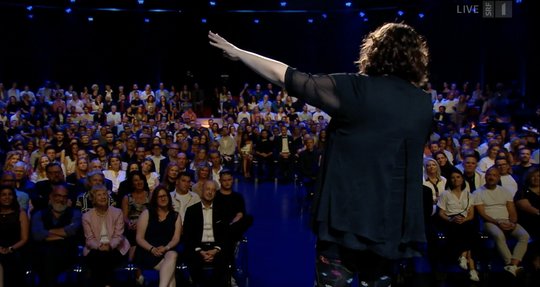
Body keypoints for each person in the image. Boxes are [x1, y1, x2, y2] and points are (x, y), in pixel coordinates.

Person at [209, 22, 432, 286]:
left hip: (344, 223)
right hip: (391, 229)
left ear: (374, 51)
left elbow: (287, 77)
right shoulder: (422, 103)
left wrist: (240, 53)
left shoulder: (355, 90)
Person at [474, 166, 530, 276]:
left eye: (494, 175)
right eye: (489, 175)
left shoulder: (505, 191)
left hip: (507, 221)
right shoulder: (478, 193)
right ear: (485, 177)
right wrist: (498, 222)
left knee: (524, 235)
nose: (491, 177)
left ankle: (513, 264)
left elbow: (512, 211)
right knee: (498, 234)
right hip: (489, 223)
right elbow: (483, 214)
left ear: (498, 177)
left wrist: (512, 222)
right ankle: (509, 263)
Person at [31, 184, 82, 287]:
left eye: (64, 197)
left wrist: (47, 232)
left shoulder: (75, 213)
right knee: (47, 255)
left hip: (67, 252)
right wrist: (63, 235)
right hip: (42, 254)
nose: (61, 199)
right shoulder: (39, 214)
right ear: (51, 197)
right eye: (58, 196)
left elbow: (72, 231)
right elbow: (37, 235)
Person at [183, 180, 230, 287]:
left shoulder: (222, 210)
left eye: (213, 190)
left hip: (216, 247)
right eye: (207, 189)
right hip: (197, 247)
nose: (210, 192)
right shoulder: (191, 211)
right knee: (193, 260)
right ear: (202, 191)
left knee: (224, 259)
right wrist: (201, 251)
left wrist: (215, 250)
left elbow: (226, 234)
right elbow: (188, 235)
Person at [82, 185, 129, 287]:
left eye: (104, 194)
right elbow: (89, 239)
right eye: (99, 195)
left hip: (116, 247)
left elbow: (118, 236)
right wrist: (99, 246)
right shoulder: (86, 216)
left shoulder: (117, 212)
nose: (103, 197)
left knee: (104, 258)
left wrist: (110, 246)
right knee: (100, 257)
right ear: (93, 199)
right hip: (95, 248)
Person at [437, 170, 479, 281]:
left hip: (465, 221)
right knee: (464, 230)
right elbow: (441, 213)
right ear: (450, 180)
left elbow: (471, 214)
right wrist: (451, 219)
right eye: (453, 177)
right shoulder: (445, 194)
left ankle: (463, 256)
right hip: (450, 220)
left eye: (458, 177)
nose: (455, 179)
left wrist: (464, 220)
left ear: (462, 179)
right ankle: (472, 268)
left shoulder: (469, 195)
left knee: (470, 227)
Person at [135, 185, 181, 287]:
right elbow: (139, 238)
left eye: (165, 196)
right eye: (159, 197)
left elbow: (176, 238)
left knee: (172, 254)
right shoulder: (147, 213)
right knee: (170, 273)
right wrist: (152, 249)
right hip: (148, 251)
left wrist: (166, 248)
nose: (163, 198)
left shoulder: (175, 216)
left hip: (167, 249)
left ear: (169, 197)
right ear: (155, 199)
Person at [0, 185, 30, 287]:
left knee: (12, 260)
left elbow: (24, 238)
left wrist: (10, 249)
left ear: (14, 197)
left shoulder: (21, 213)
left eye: (10, 194)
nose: (7, 197)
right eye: (3, 195)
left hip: (16, 248)